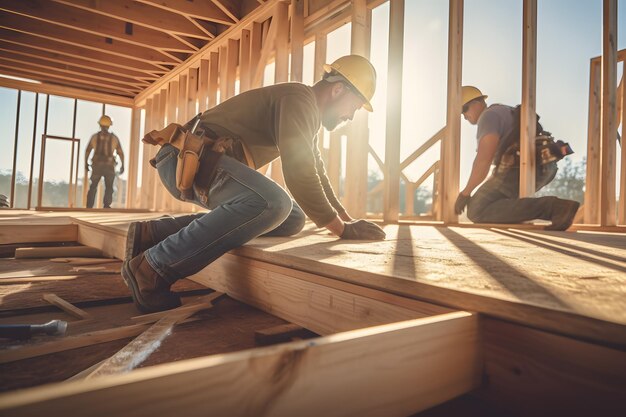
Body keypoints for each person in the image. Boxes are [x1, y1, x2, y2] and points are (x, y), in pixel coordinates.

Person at [123, 55, 386, 313]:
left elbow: (315, 168)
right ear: (338, 89)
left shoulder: (306, 111)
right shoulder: (299, 100)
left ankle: (154, 234)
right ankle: (153, 268)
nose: (350, 116)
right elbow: (299, 171)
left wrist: (344, 218)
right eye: (354, 106)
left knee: (292, 217)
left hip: (201, 163)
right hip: (185, 160)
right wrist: (342, 231)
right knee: (272, 203)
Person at [455, 86, 579, 229]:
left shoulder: (488, 116)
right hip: (544, 165)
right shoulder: (504, 111)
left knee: (477, 208)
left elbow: (484, 160)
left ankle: (555, 208)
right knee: (498, 203)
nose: (463, 116)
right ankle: (556, 210)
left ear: (478, 102)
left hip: (522, 167)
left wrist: (465, 193)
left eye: (464, 109)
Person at [85, 115, 125, 208]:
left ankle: (89, 207)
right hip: (109, 166)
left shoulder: (94, 137)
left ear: (100, 124)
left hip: (97, 166)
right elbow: (120, 153)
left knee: (93, 186)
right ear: (110, 125)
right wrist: (123, 165)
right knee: (109, 187)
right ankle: (106, 206)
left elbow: (87, 151)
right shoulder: (114, 138)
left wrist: (86, 163)